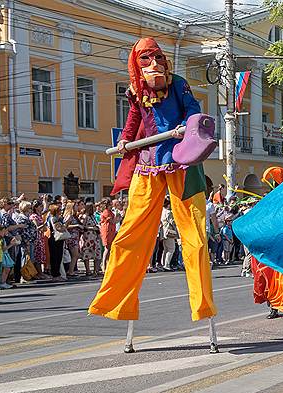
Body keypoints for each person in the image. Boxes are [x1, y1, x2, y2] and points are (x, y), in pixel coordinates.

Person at [90, 37, 216, 324]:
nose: (155, 64)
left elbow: (193, 107)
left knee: (194, 237)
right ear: (137, 64)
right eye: (146, 59)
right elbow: (134, 117)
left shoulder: (178, 83)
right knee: (131, 234)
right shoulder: (136, 90)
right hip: (149, 164)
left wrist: (188, 125)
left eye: (157, 57)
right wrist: (124, 140)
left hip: (183, 163)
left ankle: (203, 306)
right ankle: (116, 302)